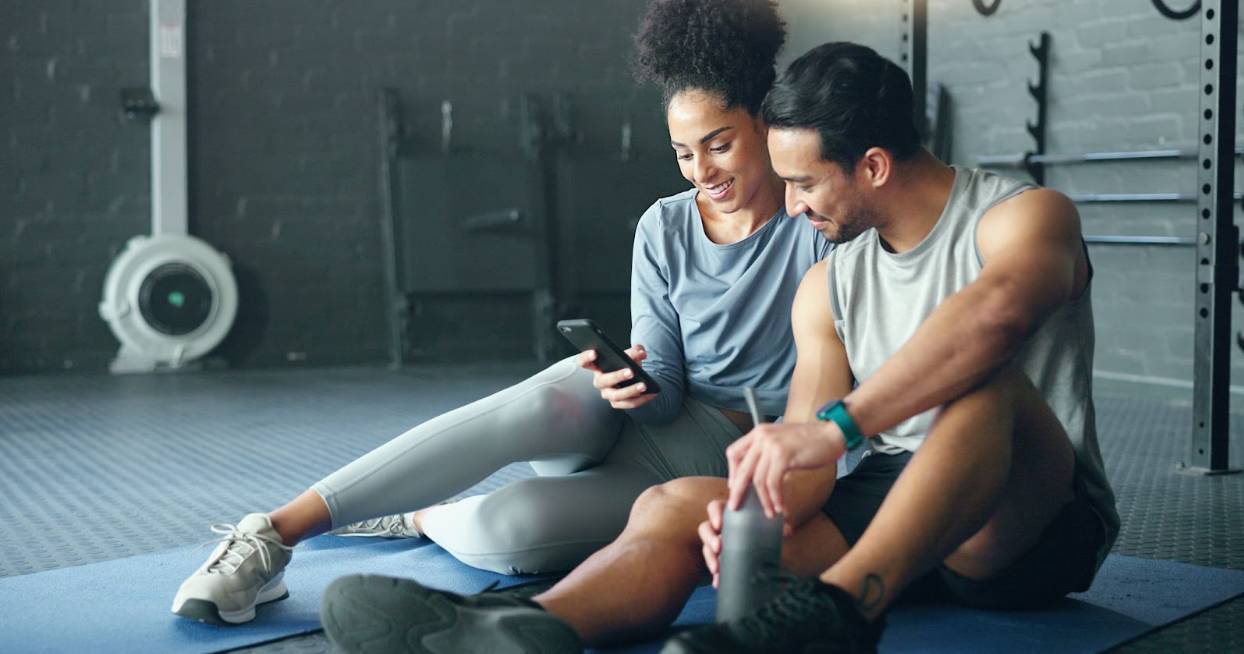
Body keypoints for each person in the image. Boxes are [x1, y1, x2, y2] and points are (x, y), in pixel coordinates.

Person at [317, 42, 1120, 654]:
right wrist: (751, 514)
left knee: (984, 390)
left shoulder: (1022, 216)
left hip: (1023, 523)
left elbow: (995, 316)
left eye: (805, 184)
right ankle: (512, 631)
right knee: (671, 506)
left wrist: (838, 426)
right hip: (884, 502)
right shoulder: (831, 284)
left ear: (872, 166)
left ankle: (839, 615)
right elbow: (801, 450)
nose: (794, 206)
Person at [170, 0, 830, 626]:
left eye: (718, 145)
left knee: (511, 536)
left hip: (703, 460)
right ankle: (270, 536)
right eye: (684, 153)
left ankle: (421, 517)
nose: (700, 171)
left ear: (763, 123)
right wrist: (627, 380)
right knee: (542, 403)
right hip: (631, 415)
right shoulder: (664, 226)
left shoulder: (819, 222)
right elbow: (662, 395)